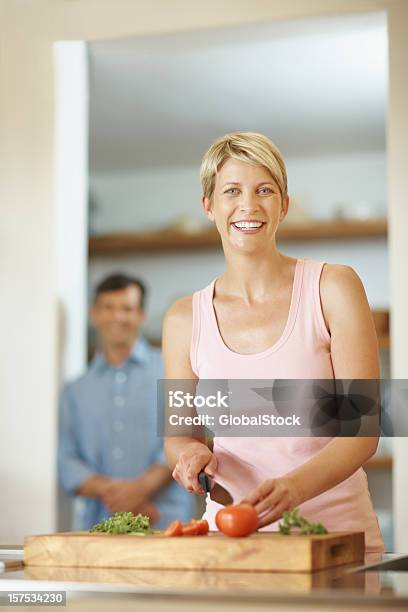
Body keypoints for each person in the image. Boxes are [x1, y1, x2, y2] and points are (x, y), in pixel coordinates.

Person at [163, 132, 384, 552]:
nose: (249, 205)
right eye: (232, 191)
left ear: (283, 205)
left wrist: (293, 489)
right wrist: (188, 456)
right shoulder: (183, 318)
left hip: (335, 539)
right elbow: (179, 437)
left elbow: (363, 432)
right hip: (230, 539)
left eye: (264, 190)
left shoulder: (333, 287)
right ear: (209, 206)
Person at [58, 273, 194, 530]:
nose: (117, 317)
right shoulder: (75, 390)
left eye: (127, 308)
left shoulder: (173, 369)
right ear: (94, 313)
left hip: (167, 524)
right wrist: (120, 495)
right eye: (108, 308)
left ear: (141, 315)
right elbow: (67, 461)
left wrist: (139, 489)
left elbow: (186, 436)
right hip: (98, 528)